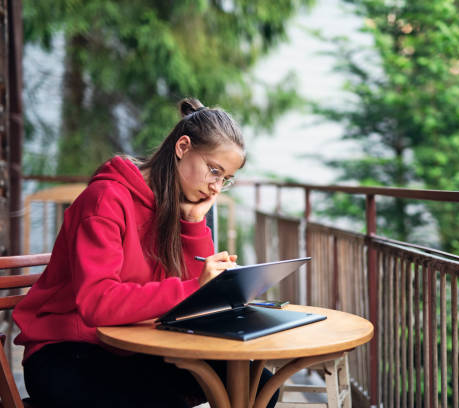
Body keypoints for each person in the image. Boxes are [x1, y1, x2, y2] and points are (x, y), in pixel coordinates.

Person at [13, 98, 278, 408]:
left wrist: (193, 225)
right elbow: (97, 302)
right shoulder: (105, 200)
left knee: (259, 387)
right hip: (66, 352)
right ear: (182, 147)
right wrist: (195, 288)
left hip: (136, 346)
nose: (216, 187)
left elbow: (192, 308)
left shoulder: (174, 206)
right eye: (214, 171)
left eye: (225, 179)